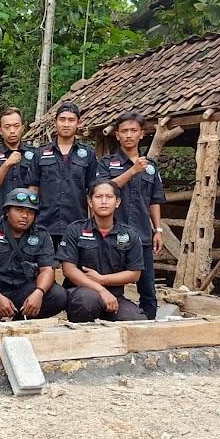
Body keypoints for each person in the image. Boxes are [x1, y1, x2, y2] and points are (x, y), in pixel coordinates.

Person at [96, 112, 165, 319]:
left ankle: (148, 326)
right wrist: (133, 171)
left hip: (142, 235)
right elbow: (105, 189)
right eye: (124, 131)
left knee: (147, 289)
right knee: (109, 282)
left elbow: (155, 199)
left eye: (133, 131)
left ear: (142, 134)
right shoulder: (106, 164)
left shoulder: (151, 167)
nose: (128, 135)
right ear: (117, 135)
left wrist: (158, 230)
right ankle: (108, 320)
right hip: (111, 235)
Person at [0, 188, 67, 323]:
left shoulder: (41, 234)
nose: (25, 216)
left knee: (58, 295)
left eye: (30, 212)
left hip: (23, 289)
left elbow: (47, 269)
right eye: (19, 210)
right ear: (7, 211)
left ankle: (20, 319)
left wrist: (39, 292)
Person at [56, 179, 146, 322]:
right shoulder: (75, 230)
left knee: (137, 321)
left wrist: (103, 279)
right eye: (98, 197)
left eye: (109, 197)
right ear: (90, 202)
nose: (104, 201)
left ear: (117, 202)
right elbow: (69, 270)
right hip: (81, 293)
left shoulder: (130, 235)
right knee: (87, 301)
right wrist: (100, 289)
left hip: (115, 297)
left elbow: (134, 274)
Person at [26, 102, 97, 250]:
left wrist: (92, 222)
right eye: (62, 119)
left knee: (75, 269)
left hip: (77, 223)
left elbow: (93, 191)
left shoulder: (87, 154)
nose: (66, 124)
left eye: (71, 120)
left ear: (78, 122)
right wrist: (30, 219)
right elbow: (33, 189)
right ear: (55, 122)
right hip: (44, 223)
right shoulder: (40, 154)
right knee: (43, 267)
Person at [0, 107, 35, 217]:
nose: (12, 131)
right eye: (7, 127)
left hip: (26, 217)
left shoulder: (35, 154)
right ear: (0, 130)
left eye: (16, 126)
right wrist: (6, 164)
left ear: (22, 128)